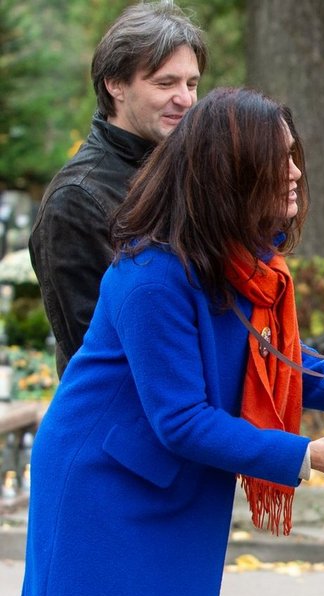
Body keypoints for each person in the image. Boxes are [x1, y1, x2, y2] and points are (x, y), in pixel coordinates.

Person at [16, 88, 324, 596]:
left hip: (178, 476)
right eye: (276, 159)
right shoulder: (151, 277)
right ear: (230, 172)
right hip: (105, 486)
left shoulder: (241, 260)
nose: (294, 173)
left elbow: (271, 359)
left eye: (293, 155)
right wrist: (306, 455)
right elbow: (181, 419)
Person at [29, 2, 208, 377]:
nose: (186, 98)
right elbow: (107, 358)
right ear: (115, 84)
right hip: (126, 429)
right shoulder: (76, 199)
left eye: (191, 84)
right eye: (165, 83)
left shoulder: (191, 174)